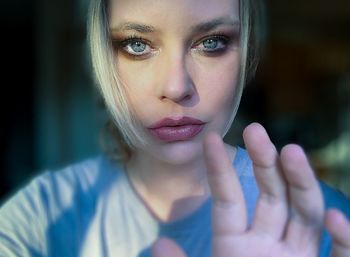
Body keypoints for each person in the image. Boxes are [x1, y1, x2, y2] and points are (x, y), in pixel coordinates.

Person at [1, 0, 350, 256]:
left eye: (211, 42)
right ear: (102, 56)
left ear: (247, 53)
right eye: (137, 44)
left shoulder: (327, 219)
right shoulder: (39, 215)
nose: (176, 86)